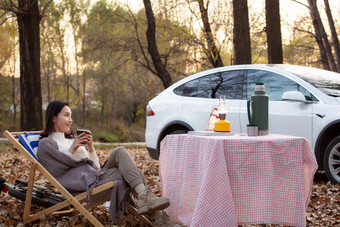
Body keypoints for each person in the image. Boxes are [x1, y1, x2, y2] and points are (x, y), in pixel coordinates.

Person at [37, 100, 171, 224]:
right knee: (134, 174)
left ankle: (145, 198)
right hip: (83, 185)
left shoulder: (71, 138)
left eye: (71, 116)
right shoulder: (46, 144)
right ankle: (159, 218)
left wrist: (90, 148)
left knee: (119, 151)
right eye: (66, 115)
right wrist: (73, 148)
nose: (70, 120)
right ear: (53, 118)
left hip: (95, 176)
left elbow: (95, 167)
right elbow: (58, 170)